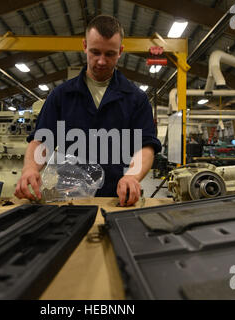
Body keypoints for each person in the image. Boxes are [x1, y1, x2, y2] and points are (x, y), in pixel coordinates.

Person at [14, 15, 162, 206]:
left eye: (109, 54)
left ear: (121, 51)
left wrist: (132, 177)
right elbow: (42, 140)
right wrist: (30, 169)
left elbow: (145, 146)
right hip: (68, 197)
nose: (101, 61)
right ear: (84, 46)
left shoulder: (136, 99)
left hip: (116, 196)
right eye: (95, 52)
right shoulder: (61, 95)